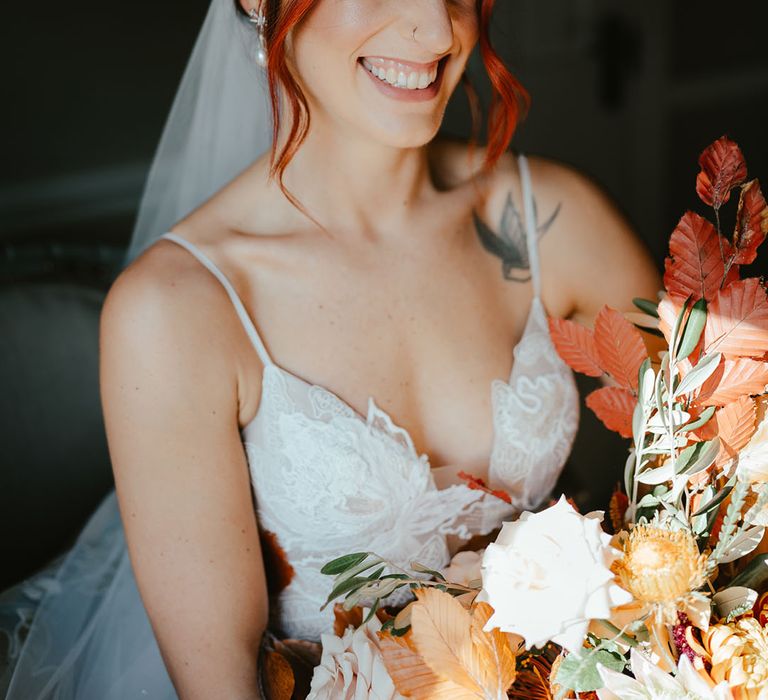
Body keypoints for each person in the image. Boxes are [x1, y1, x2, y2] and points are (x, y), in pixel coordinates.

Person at [0, 0, 661, 697]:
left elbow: (732, 460)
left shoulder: (551, 219)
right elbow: (223, 685)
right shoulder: (176, 311)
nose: (439, 31)